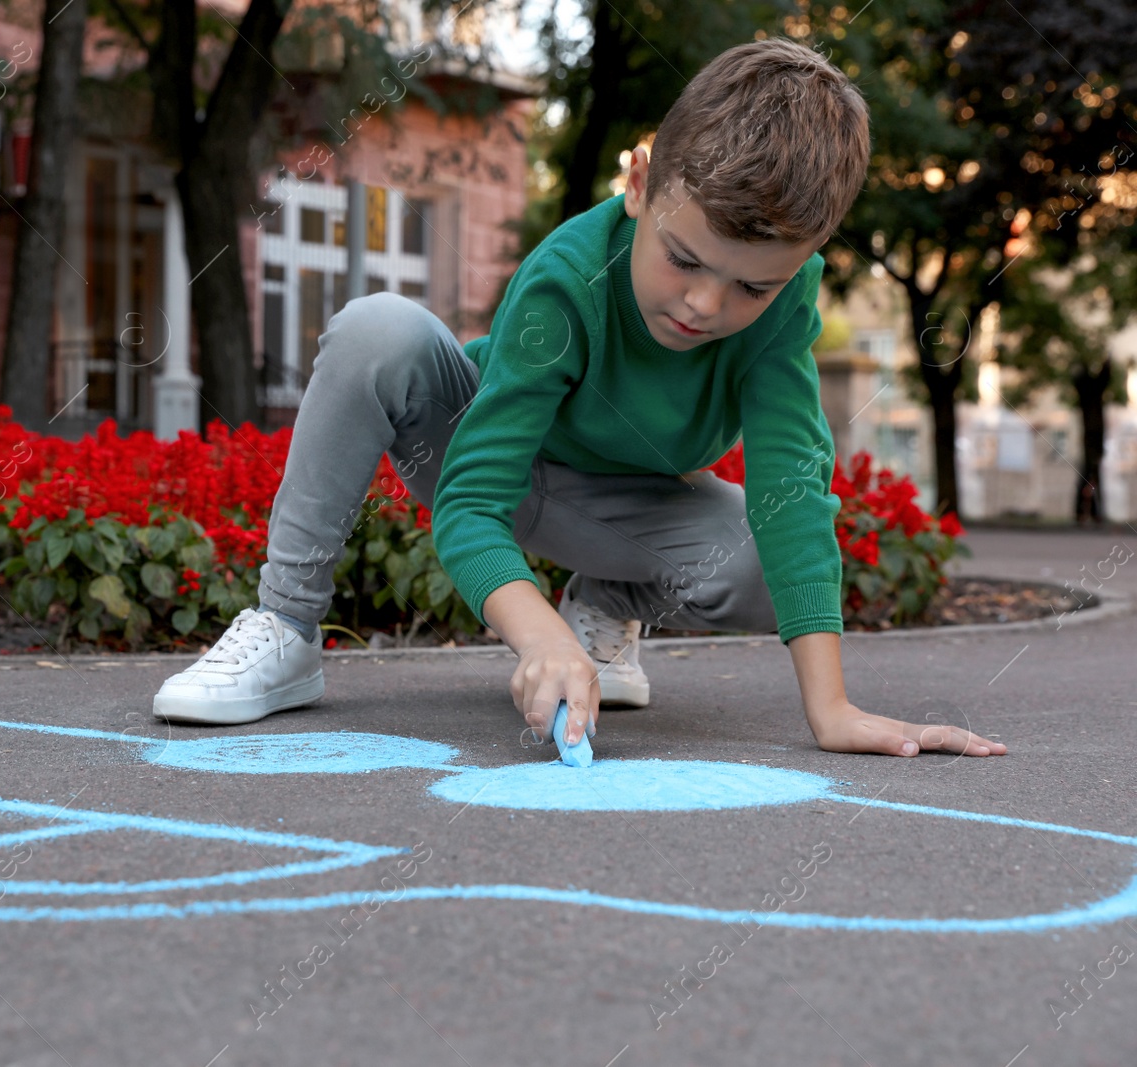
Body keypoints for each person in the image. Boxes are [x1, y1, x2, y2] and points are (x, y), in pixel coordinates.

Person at [151, 37, 1006, 761]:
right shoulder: (567, 280)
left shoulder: (785, 307)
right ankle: (286, 628)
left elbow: (792, 490)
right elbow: (472, 503)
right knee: (380, 328)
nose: (705, 305)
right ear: (639, 186)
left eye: (750, 287)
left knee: (763, 558)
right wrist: (539, 643)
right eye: (683, 258)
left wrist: (833, 713)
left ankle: (604, 602)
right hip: (481, 456)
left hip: (614, 507)